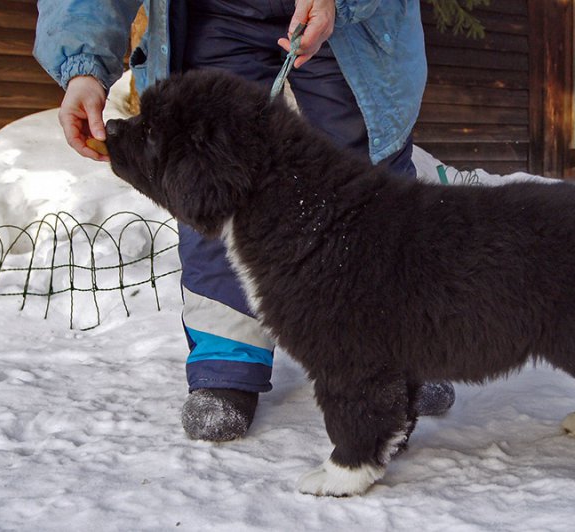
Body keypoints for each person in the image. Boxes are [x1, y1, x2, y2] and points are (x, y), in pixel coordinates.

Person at [34, 0, 455, 442]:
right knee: (203, 166)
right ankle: (227, 354)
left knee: (362, 168)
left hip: (356, 25)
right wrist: (82, 64)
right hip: (215, 14)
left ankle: (400, 344)